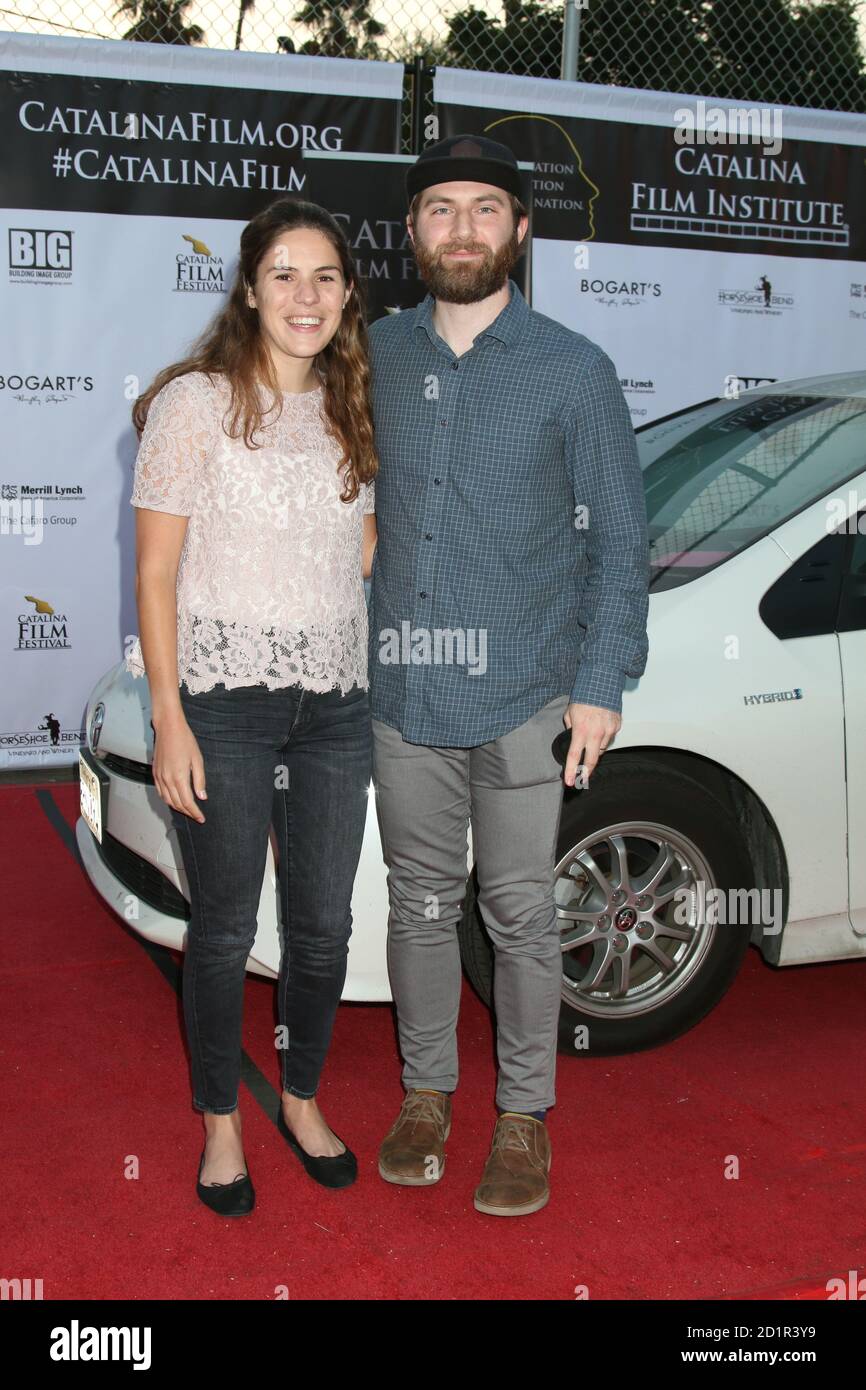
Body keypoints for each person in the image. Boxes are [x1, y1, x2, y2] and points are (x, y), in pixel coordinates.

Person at [367, 134, 650, 1217]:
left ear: (520, 231)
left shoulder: (572, 369)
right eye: (440, 209)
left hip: (529, 694)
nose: (461, 229)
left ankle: (523, 1116)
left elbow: (618, 543)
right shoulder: (375, 353)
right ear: (411, 232)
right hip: (404, 694)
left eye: (484, 209)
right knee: (420, 904)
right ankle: (425, 1095)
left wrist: (600, 681)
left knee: (521, 915)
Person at [126, 197, 378, 1216]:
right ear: (248, 287)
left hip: (336, 707)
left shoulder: (354, 407)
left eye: (324, 276)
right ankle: (221, 1123)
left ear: (347, 294)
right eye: (284, 274)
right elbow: (154, 576)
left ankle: (304, 1097)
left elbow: (358, 553)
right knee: (224, 929)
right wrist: (168, 716)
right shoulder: (195, 403)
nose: (304, 295)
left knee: (322, 925)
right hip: (222, 704)